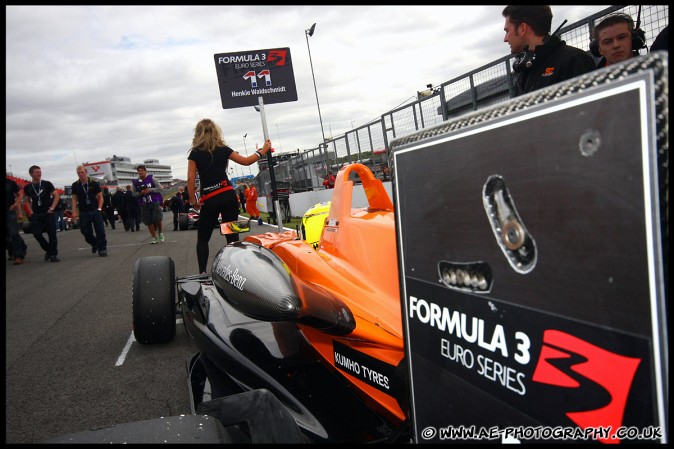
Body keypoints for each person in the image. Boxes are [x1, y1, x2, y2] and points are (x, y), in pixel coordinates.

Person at [187, 118, 272, 274]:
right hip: (228, 196)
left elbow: (191, 179)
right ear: (216, 131)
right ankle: (236, 271)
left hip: (209, 199)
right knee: (232, 236)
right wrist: (263, 150)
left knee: (203, 238)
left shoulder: (195, 153)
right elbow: (246, 162)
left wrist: (193, 201)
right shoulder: (223, 149)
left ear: (198, 133)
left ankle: (202, 273)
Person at [502, 5, 596, 96]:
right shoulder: (524, 70)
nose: (505, 39)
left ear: (522, 29)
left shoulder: (575, 60)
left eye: (507, 31)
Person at [22, 165, 60, 262]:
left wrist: (52, 208)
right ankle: (48, 250)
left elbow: (56, 196)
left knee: (52, 234)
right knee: (37, 234)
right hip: (36, 214)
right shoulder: (28, 187)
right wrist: (31, 212)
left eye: (40, 172)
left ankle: (53, 255)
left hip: (48, 212)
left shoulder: (46, 184)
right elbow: (27, 201)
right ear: (31, 174)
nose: (39, 173)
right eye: (37, 172)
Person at [71, 164, 108, 257]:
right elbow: (74, 198)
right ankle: (94, 243)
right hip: (83, 212)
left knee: (100, 230)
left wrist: (99, 208)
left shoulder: (94, 183)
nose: (81, 174)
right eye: (79, 173)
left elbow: (100, 197)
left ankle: (102, 249)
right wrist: (74, 211)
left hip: (95, 210)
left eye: (82, 172)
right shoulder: (75, 185)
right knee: (85, 231)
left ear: (86, 172)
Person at [133, 165, 164, 244]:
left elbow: (160, 188)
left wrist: (150, 190)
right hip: (144, 204)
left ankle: (160, 233)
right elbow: (133, 194)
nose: (140, 172)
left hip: (154, 202)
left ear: (145, 171)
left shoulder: (152, 179)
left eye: (142, 170)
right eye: (139, 171)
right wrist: (140, 193)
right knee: (148, 221)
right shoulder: (135, 182)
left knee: (158, 219)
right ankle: (154, 237)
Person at [6, 176, 27, 265]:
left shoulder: (10, 183)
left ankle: (19, 256)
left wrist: (16, 204)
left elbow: (20, 195)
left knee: (13, 233)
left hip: (9, 210)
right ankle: (21, 247)